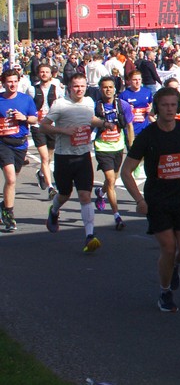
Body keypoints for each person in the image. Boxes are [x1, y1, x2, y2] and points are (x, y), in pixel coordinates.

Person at [122, 86, 180, 313]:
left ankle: (173, 266)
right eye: (165, 105)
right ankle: (165, 292)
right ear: (157, 108)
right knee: (168, 247)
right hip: (157, 200)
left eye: (173, 105)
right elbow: (126, 171)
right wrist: (139, 200)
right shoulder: (148, 136)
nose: (169, 109)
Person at [40, 74, 105, 254]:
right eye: (76, 86)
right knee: (64, 194)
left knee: (85, 195)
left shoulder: (89, 102)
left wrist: (103, 123)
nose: (79, 89)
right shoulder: (60, 104)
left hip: (83, 156)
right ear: (69, 87)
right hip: (64, 157)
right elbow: (43, 126)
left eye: (82, 86)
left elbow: (90, 119)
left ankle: (89, 235)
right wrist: (64, 131)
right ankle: (54, 211)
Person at [91, 76, 135, 232]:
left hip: (118, 146)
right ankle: (117, 216)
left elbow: (129, 126)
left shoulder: (123, 105)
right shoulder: (95, 106)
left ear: (114, 89)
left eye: (110, 87)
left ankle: (101, 192)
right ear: (100, 89)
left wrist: (131, 146)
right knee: (110, 179)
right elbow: (89, 121)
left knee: (112, 181)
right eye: (105, 87)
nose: (108, 90)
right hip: (102, 147)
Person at [0, 69, 37, 232]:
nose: (12, 84)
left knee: (13, 179)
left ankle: (4, 205)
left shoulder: (26, 99)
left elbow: (35, 118)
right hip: (3, 143)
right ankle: (9, 215)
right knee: (10, 179)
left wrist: (24, 118)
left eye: (15, 81)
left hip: (20, 144)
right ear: (3, 83)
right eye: (9, 81)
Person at [30, 63, 63, 199]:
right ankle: (50, 187)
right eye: (42, 72)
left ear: (51, 74)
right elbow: (28, 106)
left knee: (49, 157)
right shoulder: (32, 90)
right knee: (44, 157)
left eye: (46, 72)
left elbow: (62, 107)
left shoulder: (57, 89)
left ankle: (41, 173)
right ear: (38, 74)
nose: (44, 74)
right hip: (37, 126)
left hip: (52, 126)